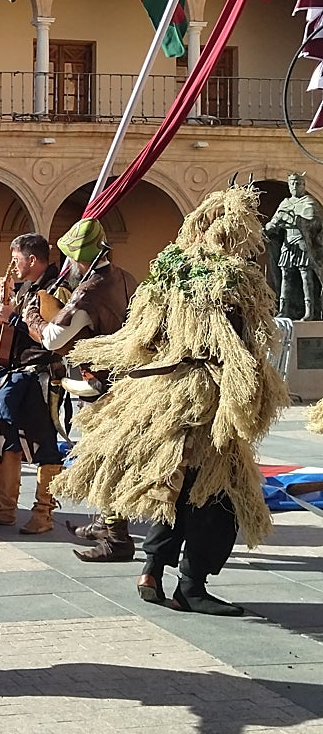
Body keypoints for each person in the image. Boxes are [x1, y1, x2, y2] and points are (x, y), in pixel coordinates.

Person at [51, 186, 288, 615]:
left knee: (172, 484)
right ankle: (191, 586)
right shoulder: (234, 276)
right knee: (216, 493)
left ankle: (152, 570)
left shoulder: (167, 273)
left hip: (164, 392)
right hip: (209, 399)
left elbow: (137, 337)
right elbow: (244, 343)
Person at [18, 220, 137, 557]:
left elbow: (55, 338)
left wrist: (33, 319)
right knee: (107, 456)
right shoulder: (125, 278)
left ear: (79, 261)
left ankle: (116, 539)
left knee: (106, 460)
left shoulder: (89, 291)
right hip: (124, 380)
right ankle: (105, 522)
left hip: (100, 385)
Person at [0, 233, 70, 533]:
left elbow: (52, 337)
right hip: (17, 373)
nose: (13, 266)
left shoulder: (56, 291)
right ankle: (4, 507)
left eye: (16, 260)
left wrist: (12, 320)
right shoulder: (27, 289)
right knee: (5, 435)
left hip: (41, 375)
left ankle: (43, 513)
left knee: (45, 443)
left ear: (32, 260)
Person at [264, 171, 323, 320]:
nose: (295, 186)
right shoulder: (285, 203)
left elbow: (314, 221)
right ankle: (284, 309)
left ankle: (309, 311)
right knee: (286, 275)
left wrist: (296, 219)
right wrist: (270, 226)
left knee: (306, 277)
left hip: (304, 244)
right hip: (288, 244)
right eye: (292, 184)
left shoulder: (309, 202)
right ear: (289, 186)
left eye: (298, 183)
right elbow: (275, 219)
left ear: (303, 185)